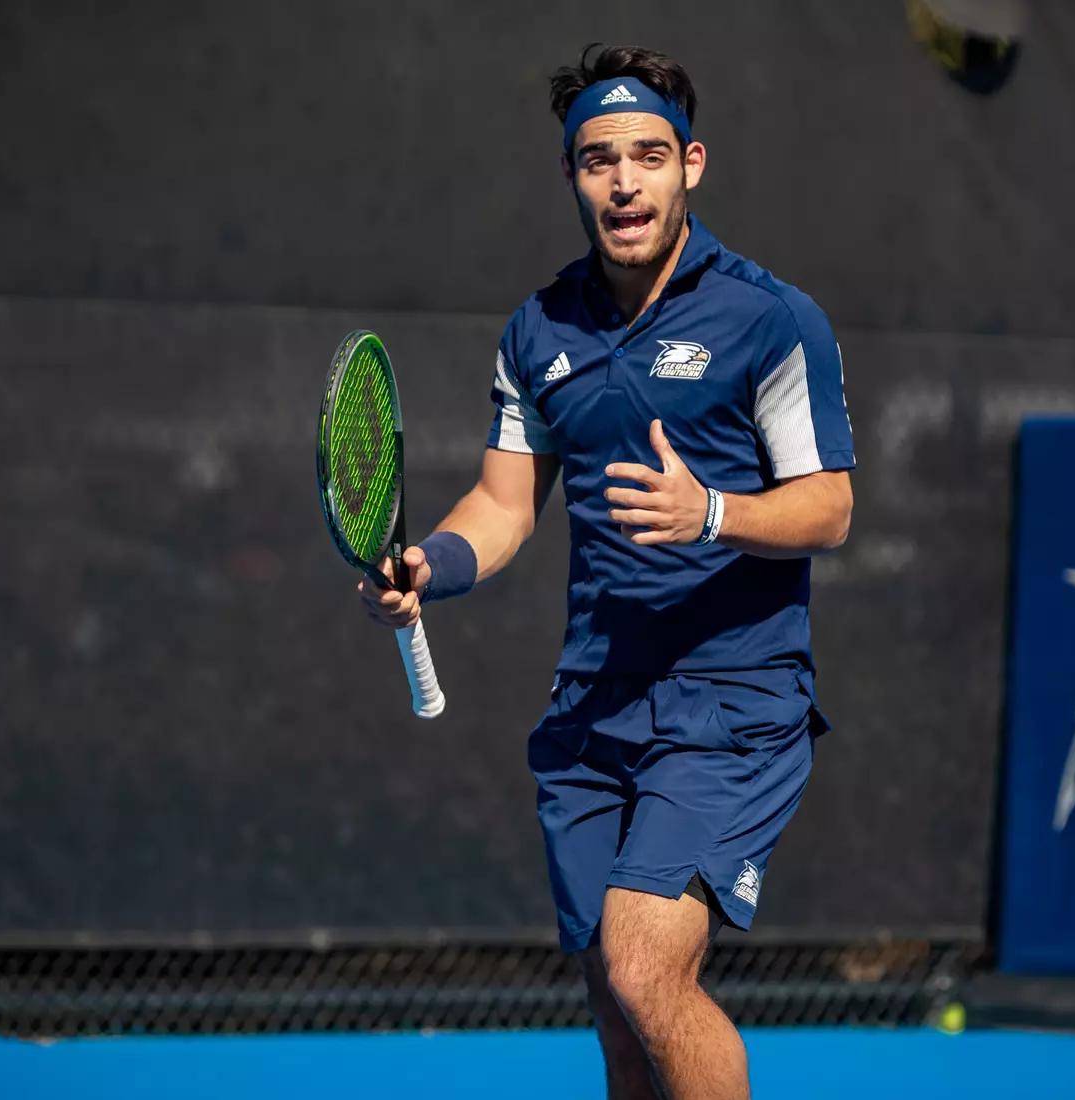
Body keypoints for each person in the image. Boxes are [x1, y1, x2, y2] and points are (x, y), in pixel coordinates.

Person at [357, 43, 854, 1100]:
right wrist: (431, 564)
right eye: (598, 160)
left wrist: (710, 512)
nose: (624, 182)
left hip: (732, 703)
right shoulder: (538, 331)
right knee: (621, 1028)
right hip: (590, 709)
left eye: (648, 156)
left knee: (645, 969)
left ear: (691, 165)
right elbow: (502, 506)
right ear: (573, 175)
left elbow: (829, 506)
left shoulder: (772, 319)